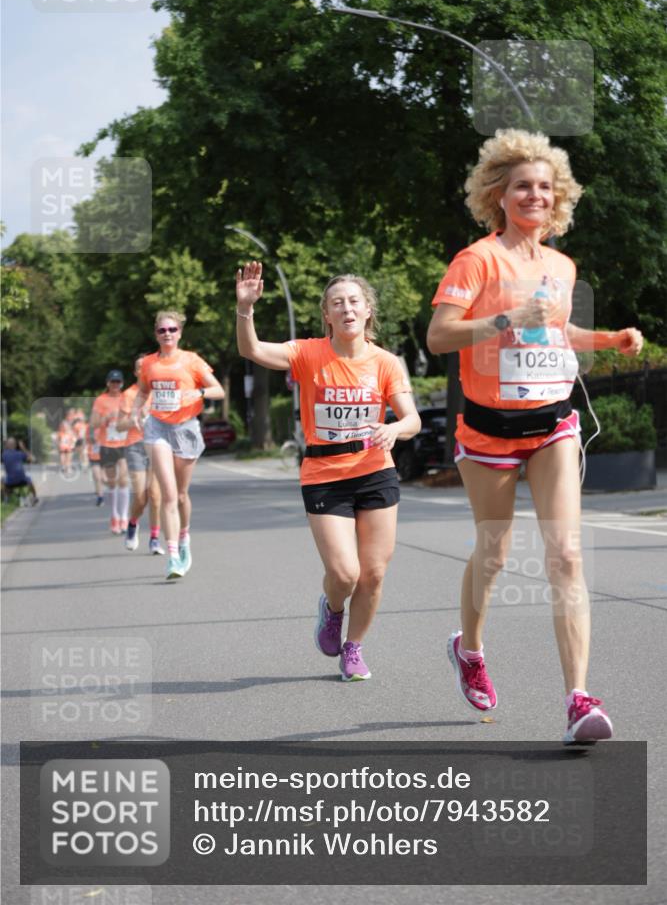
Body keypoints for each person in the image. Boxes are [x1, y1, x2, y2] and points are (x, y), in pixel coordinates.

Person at [426, 128, 643, 744]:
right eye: (523, 185)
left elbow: (555, 333)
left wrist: (609, 341)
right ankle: (469, 648)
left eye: (546, 187)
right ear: (499, 194)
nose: (535, 195)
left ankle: (578, 697)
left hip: (552, 423)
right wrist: (502, 319)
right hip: (489, 430)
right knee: (493, 554)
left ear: (559, 198)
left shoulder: (561, 265)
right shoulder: (477, 260)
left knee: (566, 555)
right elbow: (440, 337)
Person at [236, 263, 420, 681]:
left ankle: (353, 648)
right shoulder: (307, 354)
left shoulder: (386, 362)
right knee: (345, 573)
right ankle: (332, 608)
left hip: (375, 470)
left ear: (367, 310)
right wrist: (245, 309)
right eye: (338, 303)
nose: (347, 309)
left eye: (354, 301)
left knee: (372, 574)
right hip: (324, 472)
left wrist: (393, 427)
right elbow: (253, 351)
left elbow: (412, 420)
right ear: (327, 315)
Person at [129, 310, 224, 580]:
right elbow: (144, 391)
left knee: (181, 495)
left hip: (186, 428)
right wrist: (137, 410)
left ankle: (184, 537)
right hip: (157, 427)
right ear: (156, 334)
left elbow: (219, 389)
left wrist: (199, 391)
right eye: (162, 330)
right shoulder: (148, 363)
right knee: (168, 495)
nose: (167, 334)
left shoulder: (191, 361)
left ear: (180, 333)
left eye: (172, 329)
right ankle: (172, 557)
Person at [117, 353, 165, 556]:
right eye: (140, 367)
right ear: (136, 371)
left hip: (156, 445)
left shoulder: (159, 392)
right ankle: (133, 523)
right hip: (135, 446)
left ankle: (154, 539)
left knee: (155, 496)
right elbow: (120, 425)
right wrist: (135, 419)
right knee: (141, 497)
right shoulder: (129, 395)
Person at [91, 371, 130, 534]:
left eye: (118, 382)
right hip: (107, 444)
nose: (115, 385)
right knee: (112, 481)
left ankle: (124, 516)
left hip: (124, 443)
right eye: (113, 382)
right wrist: (106, 418)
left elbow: (133, 418)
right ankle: (114, 516)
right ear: (108, 383)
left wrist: (124, 421)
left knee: (124, 479)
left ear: (122, 383)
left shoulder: (127, 398)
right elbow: (93, 423)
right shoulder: (101, 400)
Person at [1, 437, 39, 504]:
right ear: (15, 445)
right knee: (30, 479)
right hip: (22, 480)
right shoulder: (20, 454)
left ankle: (6, 499)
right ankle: (35, 497)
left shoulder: (4, 454)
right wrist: (23, 447)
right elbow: (34, 459)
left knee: (2, 480)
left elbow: (6, 450)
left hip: (10, 482)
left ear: (7, 445)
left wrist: (5, 444)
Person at [87, 424, 106, 506]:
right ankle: (100, 497)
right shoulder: (90, 427)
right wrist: (93, 439)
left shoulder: (106, 426)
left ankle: (103, 491)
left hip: (105, 455)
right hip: (94, 456)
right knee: (97, 477)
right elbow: (87, 440)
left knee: (104, 478)